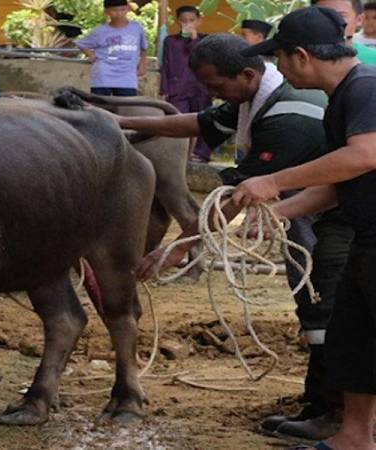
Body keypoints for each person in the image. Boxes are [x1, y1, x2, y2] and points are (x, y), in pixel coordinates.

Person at [114, 32, 333, 439]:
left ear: (248, 74)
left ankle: (329, 411)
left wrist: (177, 250)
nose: (213, 95)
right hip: (310, 215)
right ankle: (319, 399)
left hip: (331, 222)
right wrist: (123, 121)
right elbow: (198, 123)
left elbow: (234, 200)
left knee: (323, 307)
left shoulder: (288, 118)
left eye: (217, 86)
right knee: (317, 306)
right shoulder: (256, 96)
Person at [235, 7, 376, 450]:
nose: (276, 68)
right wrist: (280, 212)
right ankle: (353, 437)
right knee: (353, 339)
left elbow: (365, 156)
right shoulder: (345, 96)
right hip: (367, 236)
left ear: (300, 56)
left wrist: (275, 181)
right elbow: (342, 182)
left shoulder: (365, 89)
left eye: (277, 57)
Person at [159, 6, 213, 162]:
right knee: (178, 120)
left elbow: (203, 59)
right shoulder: (170, 41)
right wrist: (164, 89)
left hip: (201, 87)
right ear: (177, 22)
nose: (187, 24)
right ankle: (177, 153)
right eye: (183, 21)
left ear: (199, 21)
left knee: (204, 120)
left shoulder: (205, 41)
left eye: (191, 20)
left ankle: (201, 153)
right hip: (178, 87)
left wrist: (194, 40)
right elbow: (166, 66)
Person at [75, 0, 147, 97]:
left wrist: (142, 64)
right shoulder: (100, 31)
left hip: (127, 77)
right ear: (106, 12)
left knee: (127, 108)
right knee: (100, 107)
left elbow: (144, 47)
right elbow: (81, 43)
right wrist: (90, 54)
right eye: (114, 10)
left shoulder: (136, 28)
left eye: (122, 9)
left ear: (128, 9)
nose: (119, 14)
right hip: (103, 76)